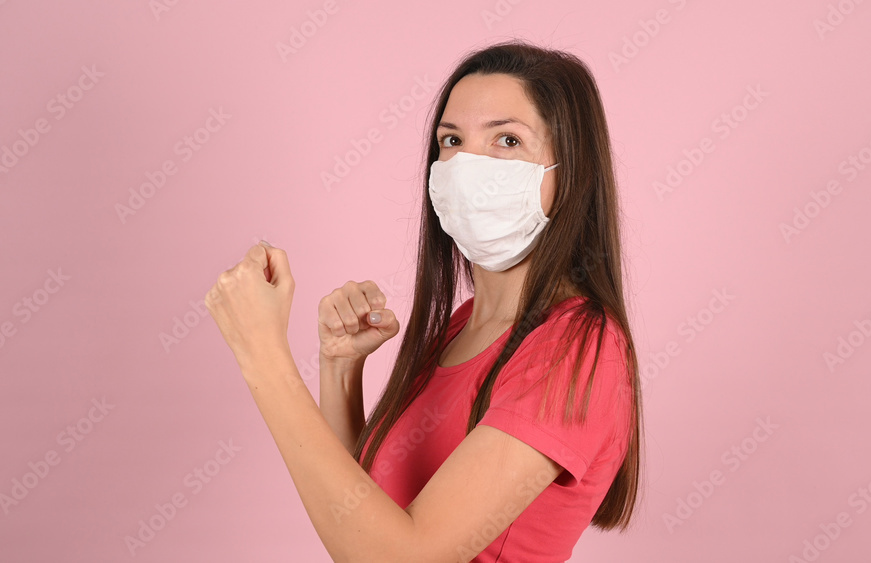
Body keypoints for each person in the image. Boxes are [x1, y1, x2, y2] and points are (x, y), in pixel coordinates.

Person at [205, 40, 642, 563]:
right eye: (452, 140)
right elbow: (359, 524)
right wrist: (340, 369)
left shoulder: (579, 347)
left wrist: (262, 355)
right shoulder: (460, 328)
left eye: (507, 140)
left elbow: (402, 556)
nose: (467, 165)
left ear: (569, 172)